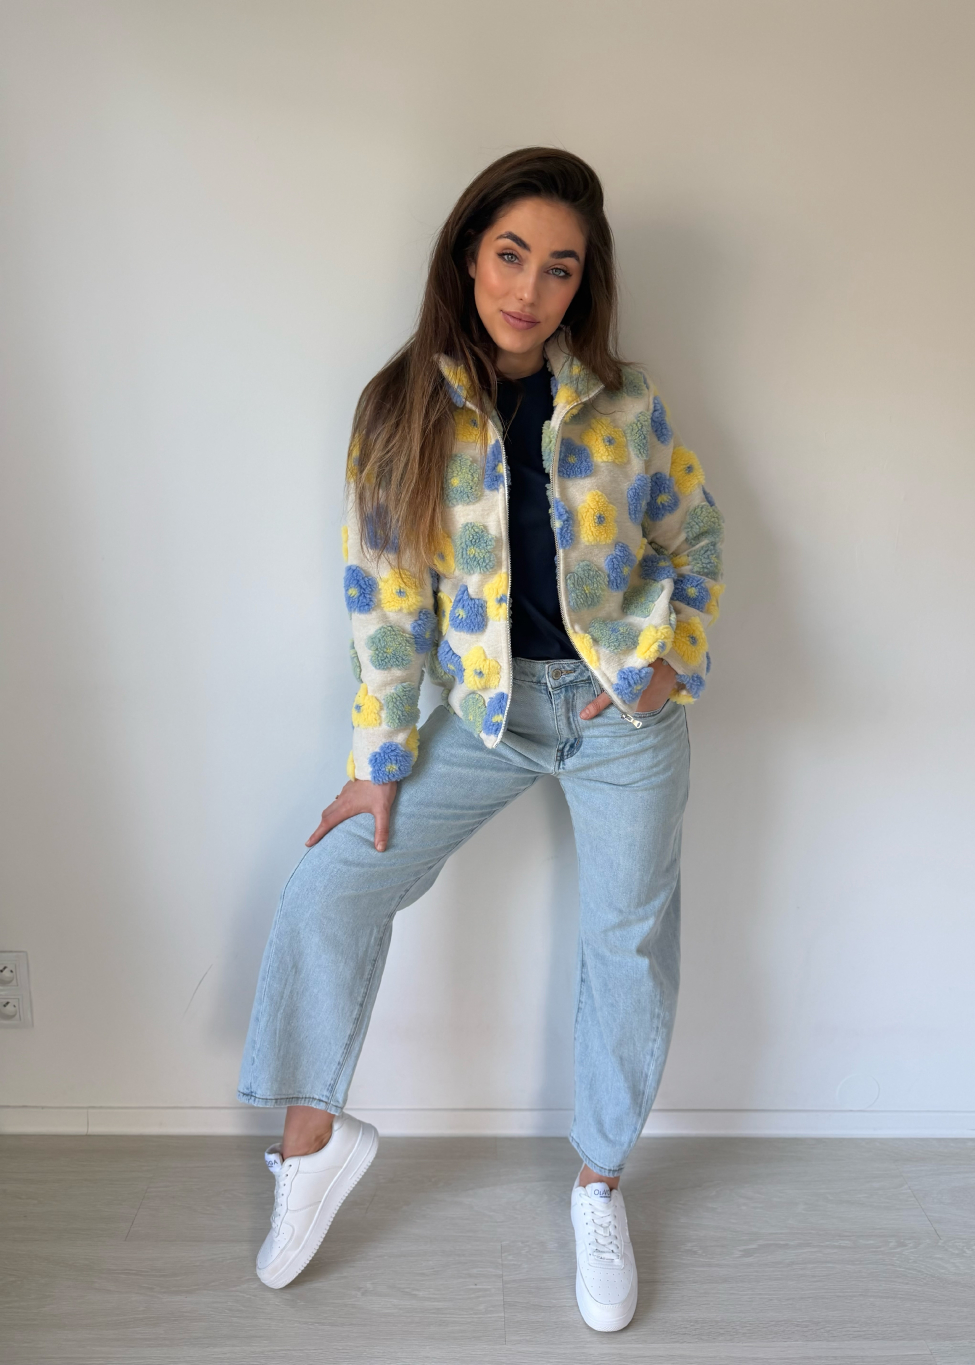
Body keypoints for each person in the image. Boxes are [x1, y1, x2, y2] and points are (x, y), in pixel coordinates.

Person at [237, 146, 723, 1332]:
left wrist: (671, 658)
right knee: (330, 885)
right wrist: (376, 764)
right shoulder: (397, 407)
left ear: (581, 284)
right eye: (512, 255)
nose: (530, 288)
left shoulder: (624, 403)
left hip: (619, 713)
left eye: (560, 267)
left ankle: (598, 1185)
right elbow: (384, 602)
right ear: (467, 255)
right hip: (491, 715)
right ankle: (310, 1148)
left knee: (625, 943)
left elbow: (695, 537)